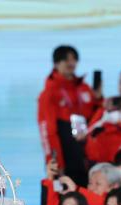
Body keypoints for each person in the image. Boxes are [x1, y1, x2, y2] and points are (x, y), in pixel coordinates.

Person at [37, 45, 101, 186]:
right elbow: (48, 132)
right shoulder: (49, 94)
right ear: (56, 63)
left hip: (87, 156)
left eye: (74, 59)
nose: (71, 63)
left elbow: (97, 118)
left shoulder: (84, 88)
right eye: (66, 60)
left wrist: (100, 100)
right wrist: (56, 162)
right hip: (66, 157)